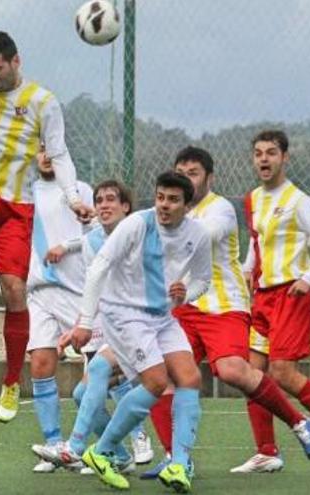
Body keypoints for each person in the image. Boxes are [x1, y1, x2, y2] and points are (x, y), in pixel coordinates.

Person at [138, 146, 310, 479]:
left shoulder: (219, 209)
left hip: (222, 305)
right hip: (183, 308)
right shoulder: (164, 212)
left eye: (193, 174)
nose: (186, 180)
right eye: (181, 174)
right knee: (159, 378)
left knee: (231, 370)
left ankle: (299, 422)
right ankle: (176, 458)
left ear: (209, 178)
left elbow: (204, 236)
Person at [0, 30, 93, 422]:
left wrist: (72, 198)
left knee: (13, 287)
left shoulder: (42, 102)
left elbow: (59, 152)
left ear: (17, 62)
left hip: (17, 205)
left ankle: (11, 382)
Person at [60, 172, 210, 492]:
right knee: (155, 381)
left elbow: (202, 279)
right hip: (125, 315)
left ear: (187, 204)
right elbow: (99, 266)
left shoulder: (198, 234)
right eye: (160, 197)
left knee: (190, 378)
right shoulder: (138, 224)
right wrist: (85, 322)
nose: (164, 205)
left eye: (172, 200)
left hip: (161, 316)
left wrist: (188, 292)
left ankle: (179, 465)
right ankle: (101, 451)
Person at [238, 130, 310, 471]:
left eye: (271, 153)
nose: (264, 159)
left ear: (284, 157)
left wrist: (308, 278)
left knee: (283, 373)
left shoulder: (298, 201)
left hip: (290, 294)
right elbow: (256, 244)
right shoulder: (252, 200)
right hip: (261, 296)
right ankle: (267, 452)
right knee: (251, 374)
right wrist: (246, 274)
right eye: (258, 153)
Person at [32, 180, 151, 474]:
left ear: (126, 206)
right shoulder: (92, 242)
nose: (104, 205)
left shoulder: (140, 233)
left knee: (100, 372)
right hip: (108, 322)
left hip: (141, 323)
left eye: (112, 199)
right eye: (99, 200)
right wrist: (77, 327)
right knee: (82, 395)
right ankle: (118, 455)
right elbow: (92, 289)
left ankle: (79, 447)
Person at [22, 153, 94, 471]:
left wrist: (67, 245)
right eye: (40, 147)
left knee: (101, 370)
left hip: (76, 289)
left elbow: (98, 232)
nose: (46, 154)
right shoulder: (25, 193)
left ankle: (125, 443)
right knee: (40, 363)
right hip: (38, 290)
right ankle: (53, 446)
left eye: (51, 147)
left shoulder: (80, 190)